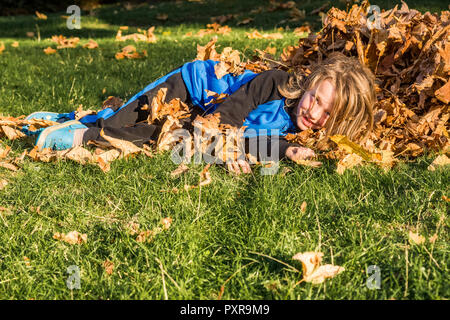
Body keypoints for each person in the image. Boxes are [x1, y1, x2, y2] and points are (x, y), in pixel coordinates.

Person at [24, 52, 376, 174]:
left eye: (327, 113)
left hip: (199, 123)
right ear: (309, 84)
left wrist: (287, 151)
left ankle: (83, 133)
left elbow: (257, 143)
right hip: (189, 87)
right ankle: (76, 127)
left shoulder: (301, 130)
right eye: (315, 98)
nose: (313, 112)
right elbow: (233, 114)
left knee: (164, 141)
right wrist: (224, 149)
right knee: (127, 119)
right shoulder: (276, 83)